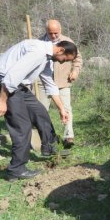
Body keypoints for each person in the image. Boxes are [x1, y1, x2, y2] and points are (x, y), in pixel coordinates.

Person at [0, 39, 78, 181]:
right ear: (60, 50)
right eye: (64, 59)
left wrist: (61, 109)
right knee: (22, 126)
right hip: (4, 82)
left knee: (40, 113)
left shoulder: (46, 58)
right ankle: (16, 169)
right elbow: (13, 76)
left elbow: (49, 83)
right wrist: (2, 101)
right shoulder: (38, 51)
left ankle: (49, 147)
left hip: (18, 86)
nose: (62, 62)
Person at [38, 19, 83, 149]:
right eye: (50, 33)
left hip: (63, 81)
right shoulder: (40, 43)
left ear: (60, 30)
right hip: (42, 82)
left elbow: (78, 58)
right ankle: (46, 138)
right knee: (41, 111)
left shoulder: (67, 41)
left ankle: (68, 136)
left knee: (66, 108)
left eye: (56, 33)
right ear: (46, 31)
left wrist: (75, 71)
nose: (53, 36)